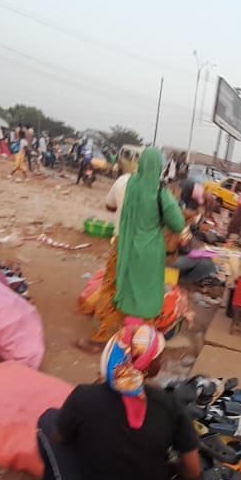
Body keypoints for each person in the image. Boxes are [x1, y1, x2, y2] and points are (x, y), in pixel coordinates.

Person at [38, 323, 201, 480]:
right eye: (159, 358)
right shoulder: (170, 404)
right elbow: (193, 471)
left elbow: (60, 437)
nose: (161, 361)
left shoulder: (84, 396)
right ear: (151, 367)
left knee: (48, 419)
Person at [78, 148, 189, 351]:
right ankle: (140, 343)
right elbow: (178, 224)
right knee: (145, 295)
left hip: (122, 247)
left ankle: (104, 336)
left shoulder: (125, 184)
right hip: (149, 255)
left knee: (113, 289)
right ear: (160, 169)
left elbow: (110, 206)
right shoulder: (161, 194)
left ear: (140, 164)